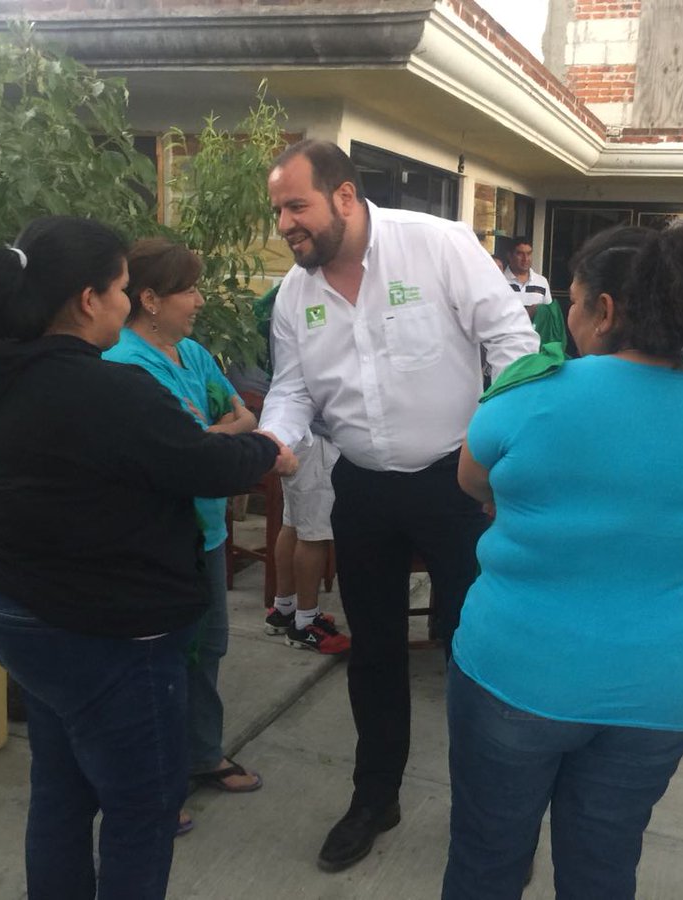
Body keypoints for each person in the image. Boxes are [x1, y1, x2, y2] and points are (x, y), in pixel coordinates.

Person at [0, 216, 289, 899]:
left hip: (9, 603)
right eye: (123, 288)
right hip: (103, 632)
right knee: (142, 807)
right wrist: (266, 451)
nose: (128, 302)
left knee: (62, 788)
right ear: (87, 299)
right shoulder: (104, 388)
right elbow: (196, 460)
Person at [442, 223, 683, 900]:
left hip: (516, 675)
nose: (570, 320)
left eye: (575, 304)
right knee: (603, 870)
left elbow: (472, 482)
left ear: (607, 310)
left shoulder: (531, 396)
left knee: (486, 863)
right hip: (662, 690)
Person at [259, 139, 539, 873]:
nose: (285, 223)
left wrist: (503, 459)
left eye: (297, 206)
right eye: (278, 210)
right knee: (373, 653)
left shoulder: (437, 246)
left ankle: (491, 810)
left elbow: (512, 343)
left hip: (456, 482)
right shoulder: (297, 294)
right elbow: (291, 389)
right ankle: (373, 797)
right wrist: (272, 440)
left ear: (344, 196)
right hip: (363, 490)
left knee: (473, 650)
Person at [102, 237, 263, 800]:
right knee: (159, 662)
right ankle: (156, 784)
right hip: (159, 540)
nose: (198, 301)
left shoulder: (190, 354)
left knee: (209, 647)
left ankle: (201, 755)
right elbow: (178, 449)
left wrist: (209, 435)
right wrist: (210, 437)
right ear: (149, 298)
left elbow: (236, 415)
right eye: (188, 290)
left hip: (209, 531)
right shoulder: (124, 363)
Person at [265, 430, 351, 654]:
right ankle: (305, 623)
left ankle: (284, 609)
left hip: (296, 436)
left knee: (293, 522)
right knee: (314, 534)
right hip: (317, 441)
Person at [502, 235, 552, 320]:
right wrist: (528, 313)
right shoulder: (500, 281)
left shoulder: (542, 282)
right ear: (509, 256)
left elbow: (548, 313)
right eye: (520, 254)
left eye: (529, 254)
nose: (525, 259)